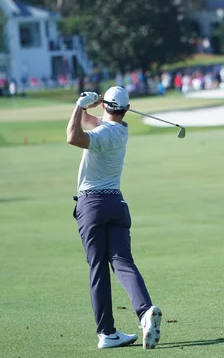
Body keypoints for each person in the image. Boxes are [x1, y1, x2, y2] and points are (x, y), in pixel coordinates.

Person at [66, 86, 162, 350]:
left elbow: (73, 136)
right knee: (122, 262)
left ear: (107, 107)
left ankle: (107, 333)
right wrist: (90, 107)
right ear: (127, 109)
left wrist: (78, 104)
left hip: (92, 206)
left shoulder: (102, 134)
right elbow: (92, 122)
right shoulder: (121, 130)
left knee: (98, 269)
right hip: (116, 205)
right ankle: (144, 313)